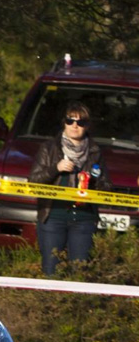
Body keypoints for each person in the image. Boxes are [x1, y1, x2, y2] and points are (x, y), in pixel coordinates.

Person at [29, 102, 111, 275]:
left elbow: (106, 187)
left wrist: (94, 182)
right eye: (70, 121)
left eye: (81, 122)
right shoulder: (48, 148)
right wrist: (55, 169)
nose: (75, 125)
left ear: (87, 126)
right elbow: (33, 182)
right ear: (64, 123)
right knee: (51, 270)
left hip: (84, 219)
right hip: (53, 216)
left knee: (80, 272)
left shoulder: (95, 151)